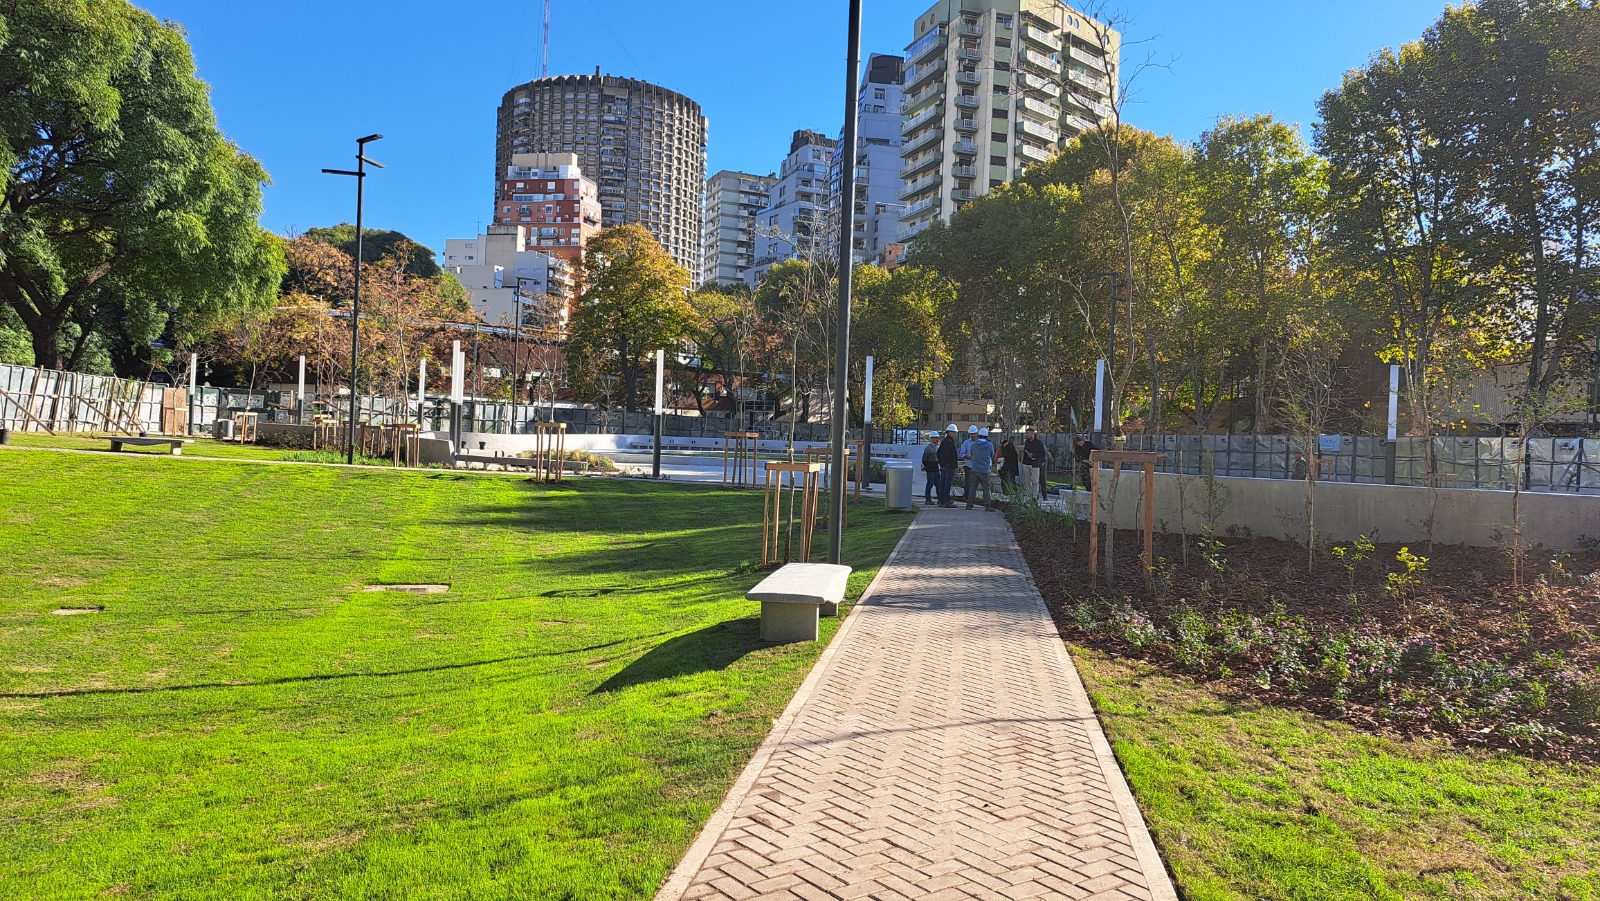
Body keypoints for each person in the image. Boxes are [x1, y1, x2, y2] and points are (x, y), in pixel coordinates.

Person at [964, 427, 996, 510]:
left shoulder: (973, 444)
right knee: (986, 488)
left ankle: (969, 505)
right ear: (986, 436)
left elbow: (972, 455)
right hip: (985, 470)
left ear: (978, 435)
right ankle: (987, 506)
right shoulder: (989, 445)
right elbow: (991, 455)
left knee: (972, 488)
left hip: (974, 469)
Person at [937, 424, 959, 507]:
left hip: (944, 466)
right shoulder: (949, 442)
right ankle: (946, 501)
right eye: (954, 432)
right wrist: (949, 464)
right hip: (948, 467)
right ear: (950, 432)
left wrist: (941, 463)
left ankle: (941, 500)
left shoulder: (944, 441)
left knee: (942, 483)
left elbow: (938, 453)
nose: (955, 434)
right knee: (947, 484)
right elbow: (948, 455)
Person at [1022, 427, 1047, 500]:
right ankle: (1029, 495)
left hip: (1035, 464)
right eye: (1026, 433)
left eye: (1028, 433)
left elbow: (1042, 453)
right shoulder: (1026, 442)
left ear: (1032, 433)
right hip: (1027, 463)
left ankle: (1035, 496)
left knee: (1035, 481)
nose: (1026, 435)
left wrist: (1033, 455)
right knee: (1027, 481)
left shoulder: (1038, 443)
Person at [920, 431, 942, 504]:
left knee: (938, 484)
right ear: (931, 439)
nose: (936, 439)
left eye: (937, 438)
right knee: (930, 484)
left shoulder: (937, 447)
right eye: (935, 438)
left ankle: (940, 499)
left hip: (936, 468)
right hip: (930, 469)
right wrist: (928, 466)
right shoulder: (928, 448)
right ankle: (928, 499)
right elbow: (924, 460)